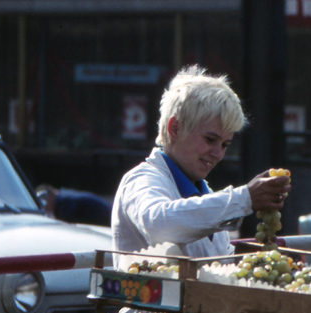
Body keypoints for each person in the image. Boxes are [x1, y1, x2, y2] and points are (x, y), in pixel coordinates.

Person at [111, 65, 291, 261]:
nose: (217, 153)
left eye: (225, 144)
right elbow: (159, 226)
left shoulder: (208, 197)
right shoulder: (140, 180)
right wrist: (244, 199)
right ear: (175, 129)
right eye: (210, 140)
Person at [37, 184, 112, 227]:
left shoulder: (63, 203)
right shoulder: (63, 196)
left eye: (44, 201)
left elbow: (67, 226)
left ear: (49, 197)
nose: (44, 206)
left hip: (105, 221)